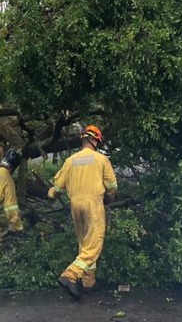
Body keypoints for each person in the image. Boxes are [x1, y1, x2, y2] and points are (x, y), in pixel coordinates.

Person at [48, 124, 117, 299]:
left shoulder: (71, 161)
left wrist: (51, 194)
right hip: (92, 203)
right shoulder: (101, 160)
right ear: (94, 140)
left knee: (84, 243)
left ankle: (88, 282)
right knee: (94, 243)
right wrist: (109, 198)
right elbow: (112, 186)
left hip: (75, 205)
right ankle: (70, 275)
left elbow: (56, 187)